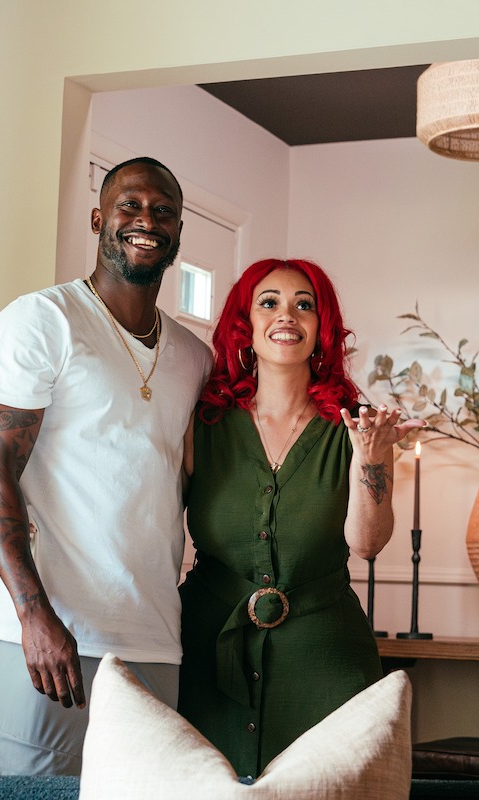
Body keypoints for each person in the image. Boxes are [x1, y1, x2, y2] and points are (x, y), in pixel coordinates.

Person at [0, 157, 213, 775]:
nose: (145, 220)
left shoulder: (192, 357)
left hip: (154, 647)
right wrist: (33, 615)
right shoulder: (41, 321)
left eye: (163, 211)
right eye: (129, 205)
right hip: (45, 645)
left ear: (178, 233)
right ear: (99, 217)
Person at [177, 257, 422, 780]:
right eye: (269, 303)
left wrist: (373, 457)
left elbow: (368, 542)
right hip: (206, 650)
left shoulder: (357, 428)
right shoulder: (203, 424)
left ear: (321, 329)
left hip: (326, 659)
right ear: (246, 325)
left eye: (303, 305)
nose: (286, 315)